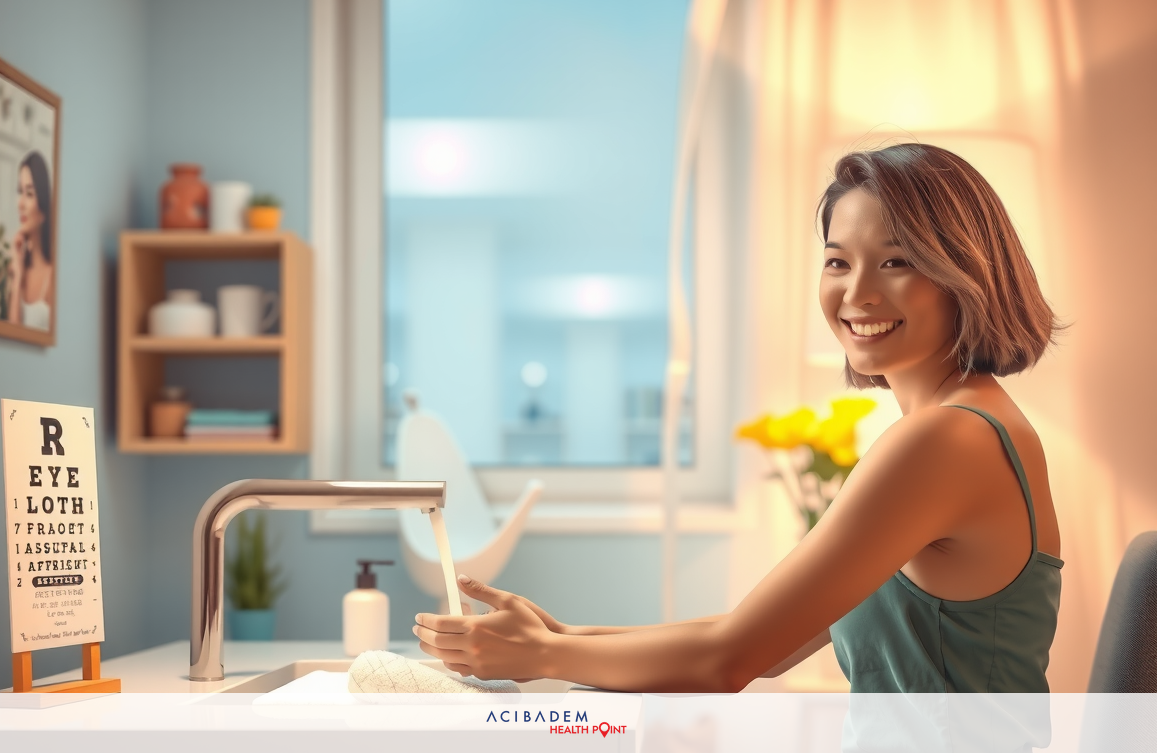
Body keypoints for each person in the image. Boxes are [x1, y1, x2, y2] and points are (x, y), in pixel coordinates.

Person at [413, 143, 1066, 693]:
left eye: (897, 262)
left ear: (966, 273)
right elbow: (765, 640)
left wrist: (543, 658)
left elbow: (732, 659)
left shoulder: (946, 439)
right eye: (838, 260)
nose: (857, 291)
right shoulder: (964, 423)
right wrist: (557, 636)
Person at [7, 151, 54, 331]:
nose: (20, 203)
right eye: (20, 191)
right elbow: (13, 333)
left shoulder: (53, 275)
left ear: (43, 207)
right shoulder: (17, 269)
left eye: (29, 193)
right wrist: (18, 275)